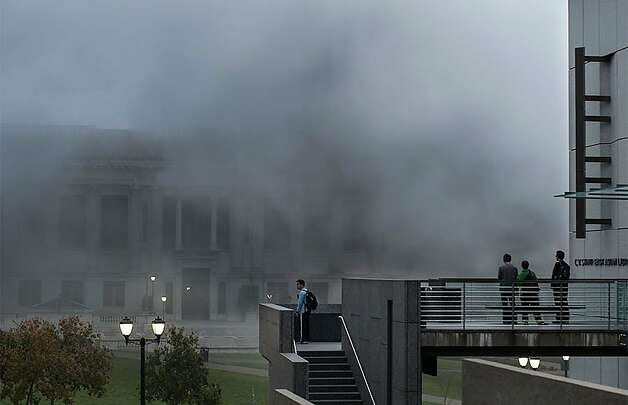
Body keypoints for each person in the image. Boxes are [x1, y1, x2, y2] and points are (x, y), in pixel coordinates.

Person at [517, 260, 544, 325]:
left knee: (524, 308)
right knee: (535, 308)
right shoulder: (532, 273)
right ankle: (538, 320)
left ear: (522, 266)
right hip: (533, 293)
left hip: (525, 293)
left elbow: (518, 284)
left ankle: (525, 321)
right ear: (528, 265)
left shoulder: (521, 274)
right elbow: (536, 282)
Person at [498, 253, 518, 325]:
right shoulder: (515, 268)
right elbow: (516, 279)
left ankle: (506, 320)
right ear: (510, 259)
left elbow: (499, 278)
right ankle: (514, 320)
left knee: (505, 304)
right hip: (512, 289)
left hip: (503, 289)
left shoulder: (501, 268)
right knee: (513, 304)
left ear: (504, 260)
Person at [551, 250, 570, 324]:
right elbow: (556, 276)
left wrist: (557, 278)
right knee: (562, 302)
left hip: (559, 287)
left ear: (558, 256)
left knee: (560, 303)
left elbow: (555, 276)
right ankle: (563, 319)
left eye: (556, 256)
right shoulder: (566, 266)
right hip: (561, 287)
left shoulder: (560, 265)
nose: (555, 257)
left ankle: (561, 319)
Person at [296, 279, 310, 344]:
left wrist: (297, 311)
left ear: (302, 285)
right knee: (306, 325)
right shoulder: (306, 291)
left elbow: (300, 303)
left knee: (302, 326)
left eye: (298, 284)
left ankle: (302, 339)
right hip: (307, 310)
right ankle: (306, 339)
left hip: (303, 311)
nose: (297, 286)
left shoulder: (302, 293)